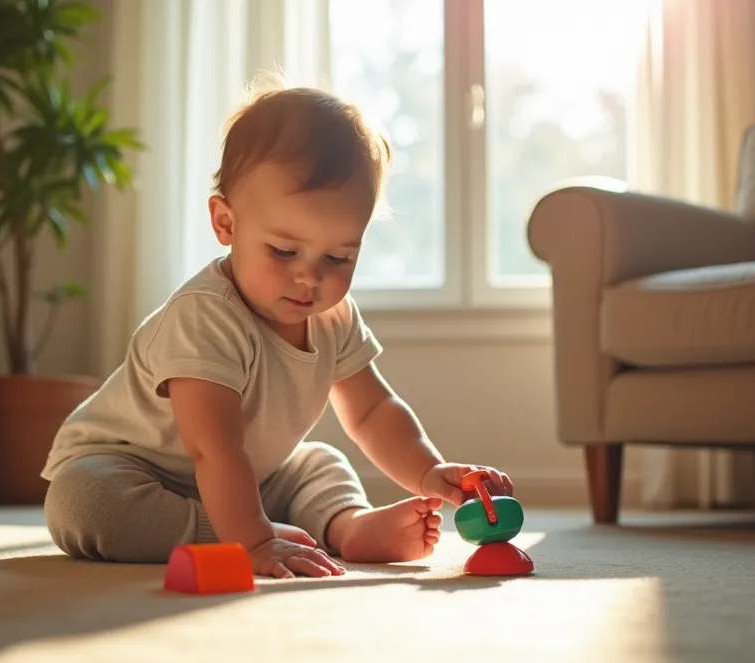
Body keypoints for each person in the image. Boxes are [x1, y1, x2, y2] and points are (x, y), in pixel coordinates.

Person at [41, 82, 515, 579]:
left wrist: (427, 471)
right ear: (226, 223)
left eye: (338, 257)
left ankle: (346, 525)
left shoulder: (334, 317)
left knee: (317, 462)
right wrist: (254, 542)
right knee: (84, 502)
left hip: (248, 476)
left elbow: (373, 410)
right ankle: (236, 531)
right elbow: (213, 447)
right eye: (284, 251)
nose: (310, 277)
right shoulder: (205, 316)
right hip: (133, 469)